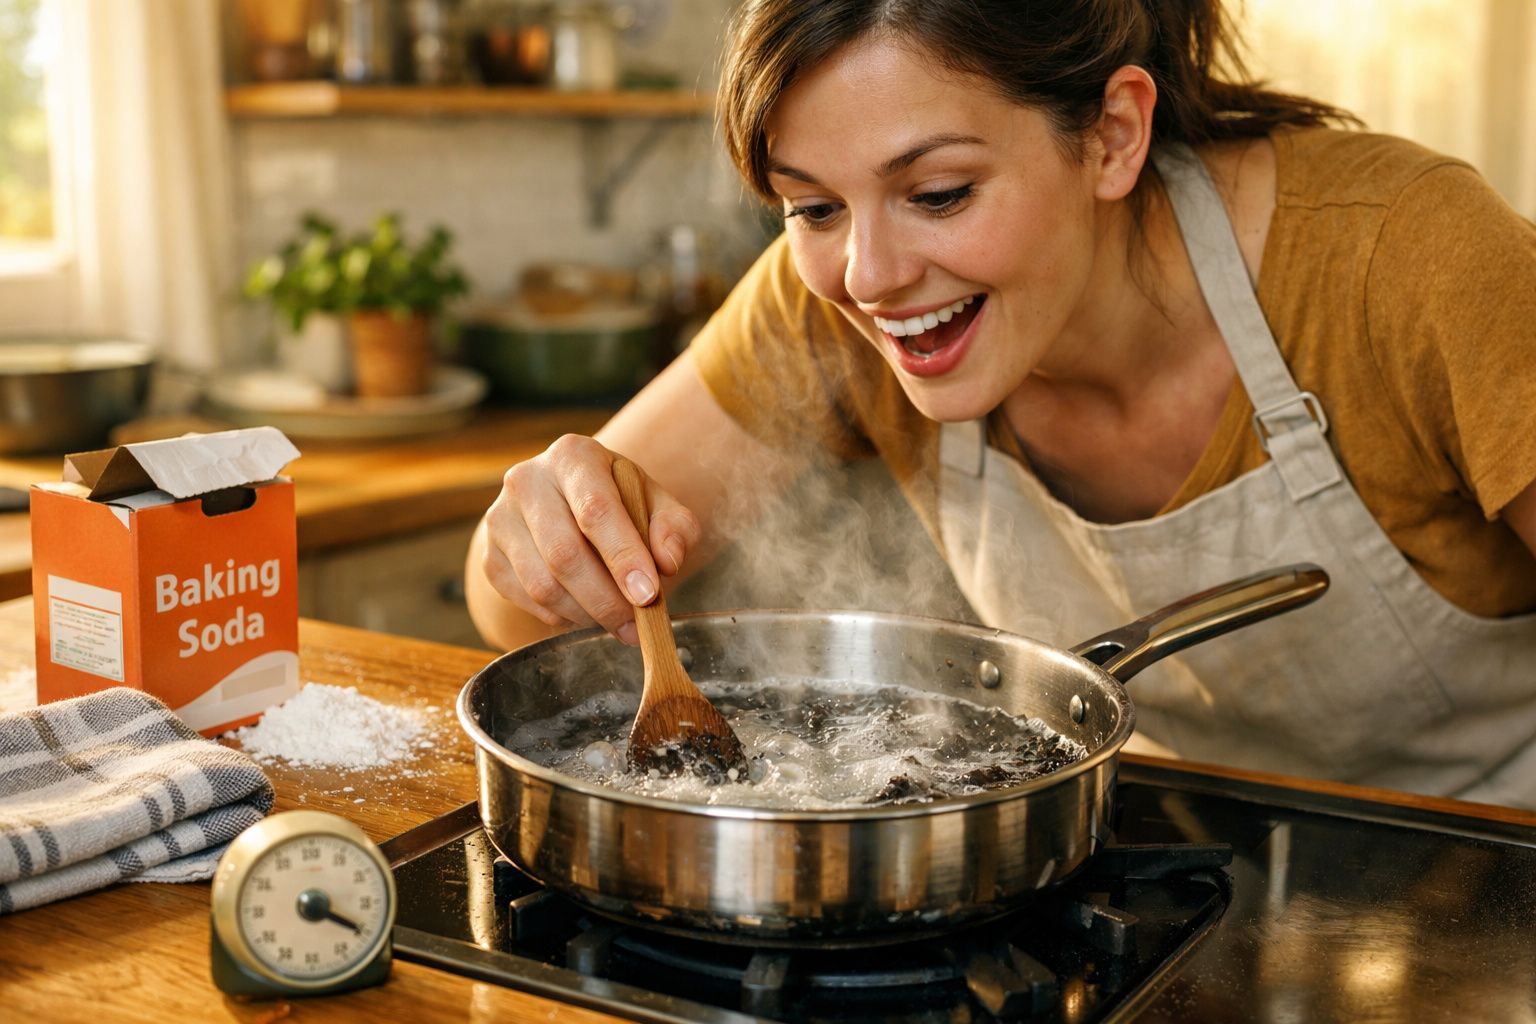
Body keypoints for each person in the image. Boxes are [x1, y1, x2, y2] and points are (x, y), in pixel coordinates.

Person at [467, 0, 1536, 805]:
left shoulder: (1406, 257)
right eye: (812, 205)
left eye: (938, 194)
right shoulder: (830, 306)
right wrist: (551, 529)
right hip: (1171, 868)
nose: (871, 274)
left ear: (1113, 134)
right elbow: (516, 614)